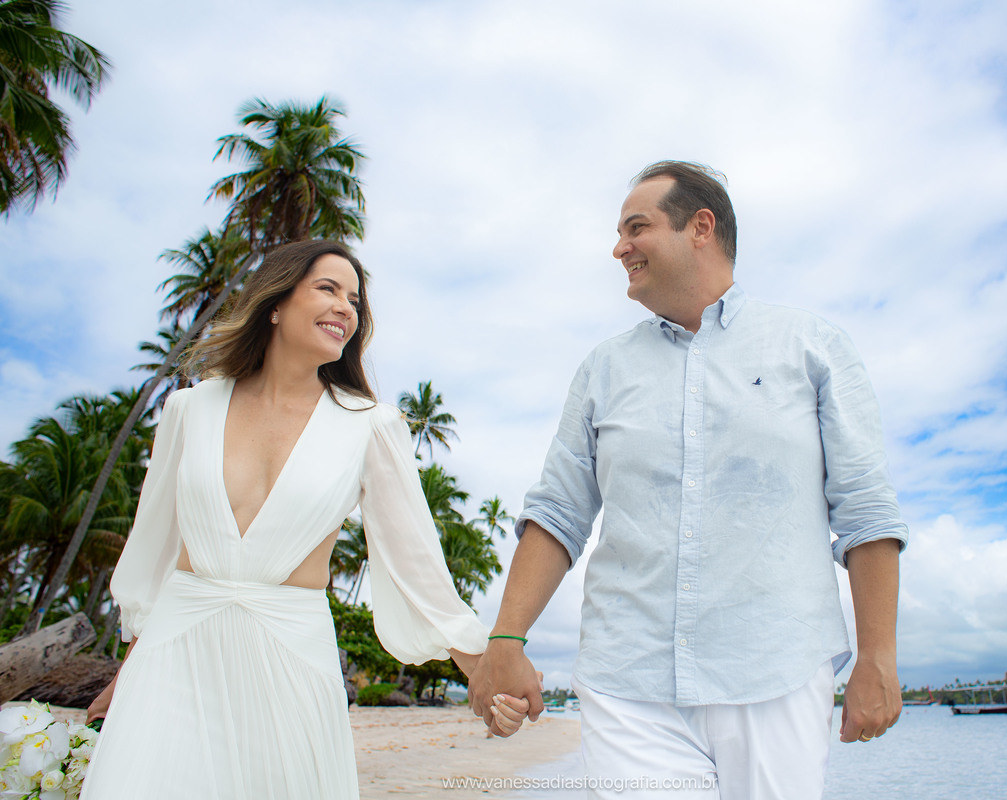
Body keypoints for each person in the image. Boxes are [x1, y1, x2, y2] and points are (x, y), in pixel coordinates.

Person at [468, 162, 908, 799]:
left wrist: (877, 658)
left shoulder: (813, 348)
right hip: (628, 678)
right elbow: (559, 513)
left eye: (635, 227)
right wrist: (506, 639)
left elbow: (865, 512)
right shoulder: (603, 370)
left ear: (700, 226)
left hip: (778, 670)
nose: (618, 247)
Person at [82, 240, 527, 799]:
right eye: (328, 289)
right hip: (173, 655)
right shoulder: (187, 409)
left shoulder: (370, 425)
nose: (347, 307)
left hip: (290, 660)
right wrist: (127, 673)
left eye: (355, 300)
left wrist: (481, 670)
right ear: (275, 302)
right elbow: (152, 550)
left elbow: (417, 568)